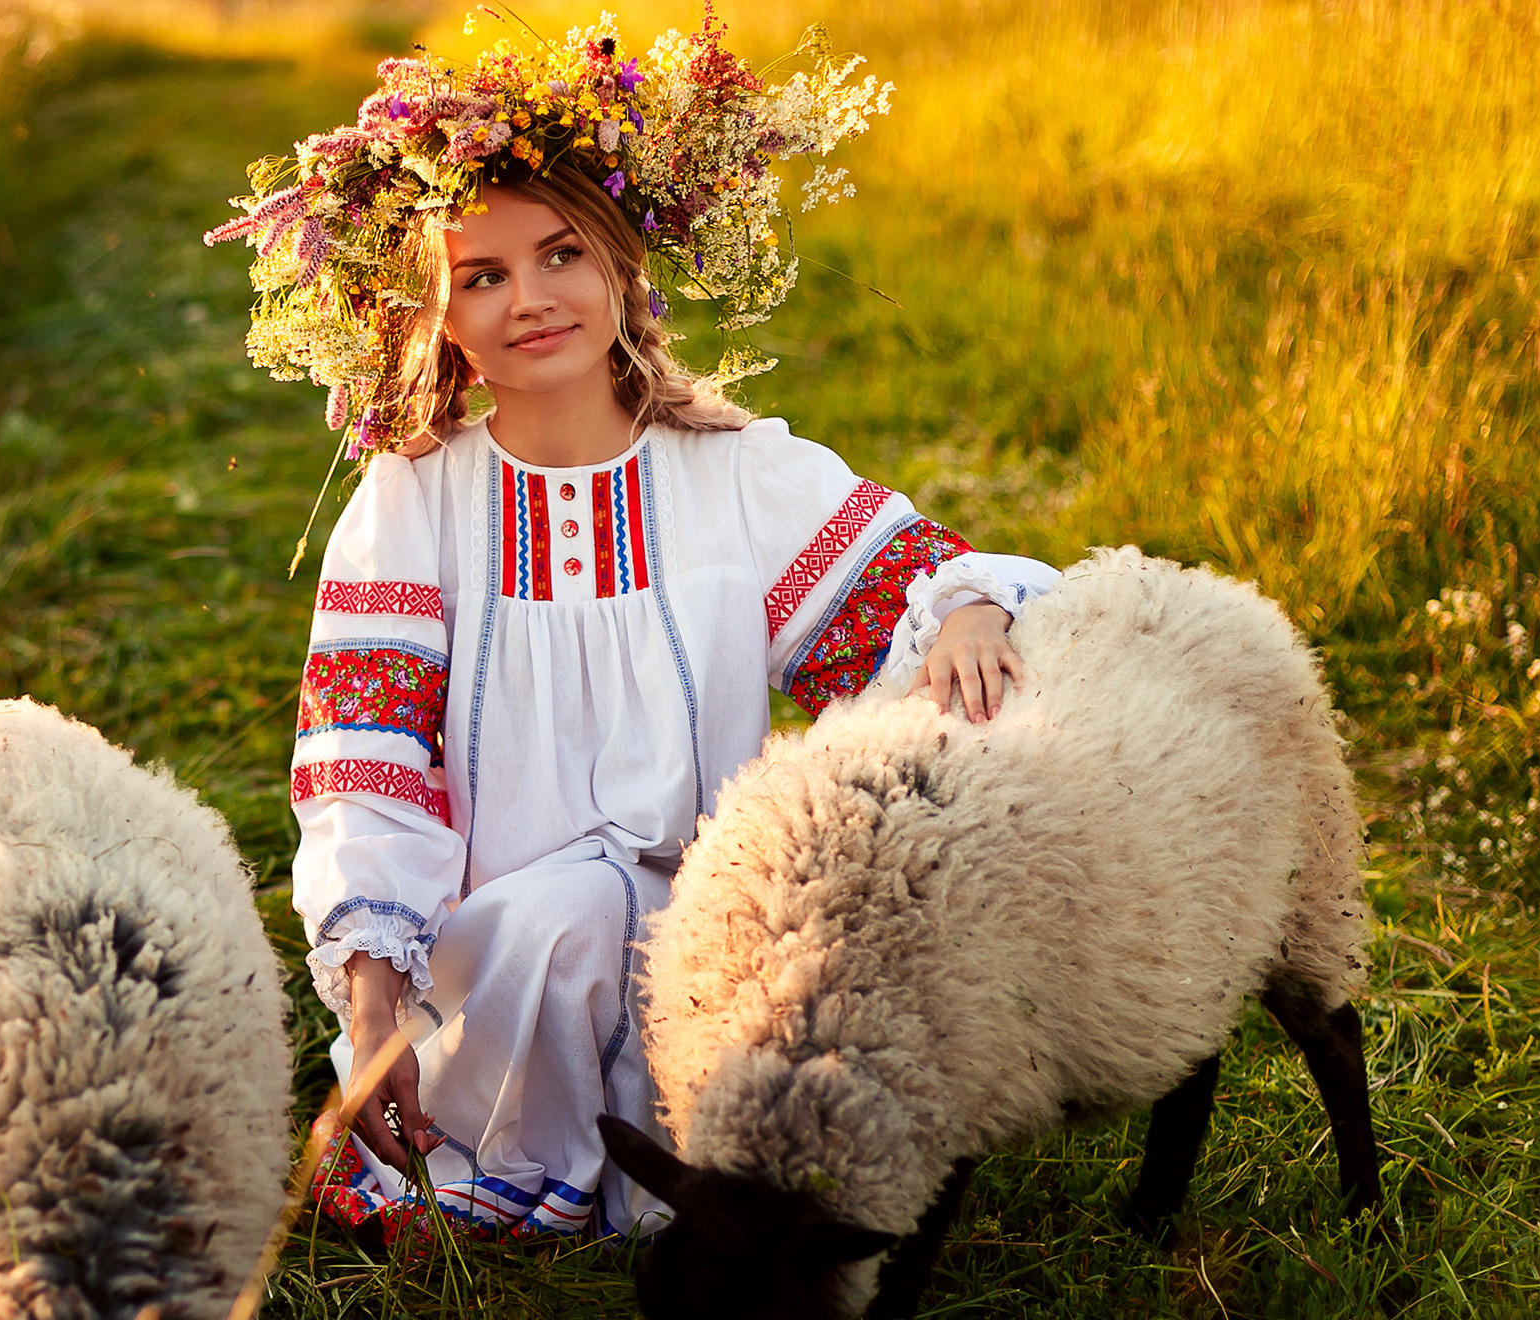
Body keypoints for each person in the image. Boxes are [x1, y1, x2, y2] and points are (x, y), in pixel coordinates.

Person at [210, 17, 1059, 1244]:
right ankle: (511, 1144)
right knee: (565, 910)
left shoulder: (731, 474)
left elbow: (904, 598)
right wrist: (372, 981)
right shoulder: (413, 502)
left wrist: (968, 606)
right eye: (482, 276)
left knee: (663, 937)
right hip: (503, 958)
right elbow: (366, 759)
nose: (531, 299)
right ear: (434, 318)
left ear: (622, 262)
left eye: (561, 253)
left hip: (712, 933)